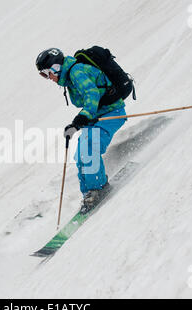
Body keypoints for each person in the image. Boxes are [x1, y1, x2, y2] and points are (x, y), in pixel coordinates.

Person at [36, 48, 127, 210]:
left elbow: (91, 94)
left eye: (45, 73)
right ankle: (88, 192)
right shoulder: (70, 77)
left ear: (55, 67)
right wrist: (77, 123)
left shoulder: (76, 72)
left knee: (89, 146)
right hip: (98, 115)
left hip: (112, 113)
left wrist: (81, 118)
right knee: (80, 153)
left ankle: (97, 188)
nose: (47, 78)